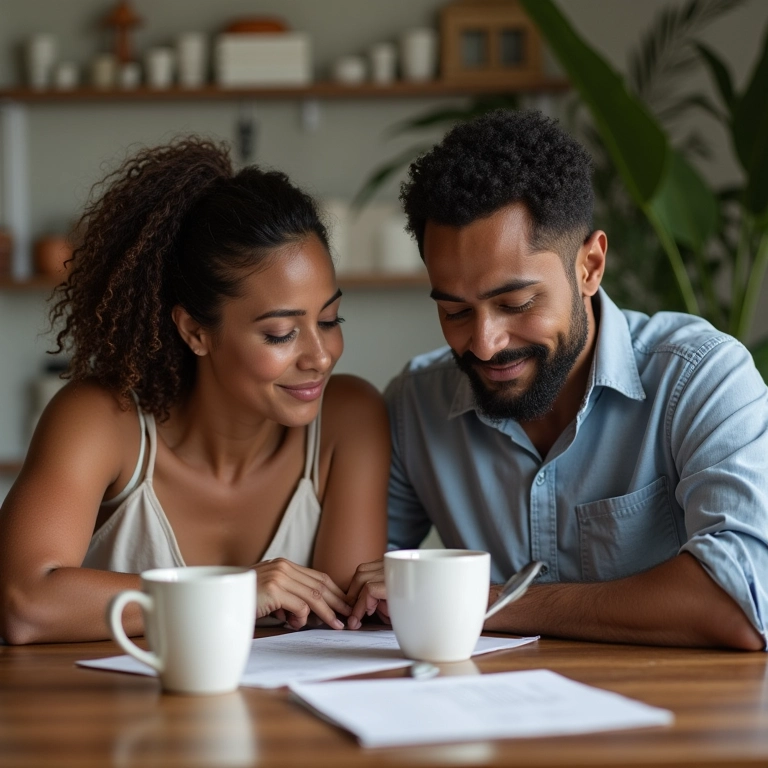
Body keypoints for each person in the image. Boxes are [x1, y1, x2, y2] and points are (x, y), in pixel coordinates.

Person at [344, 109, 768, 650]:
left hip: (673, 722)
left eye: (515, 303)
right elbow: (356, 592)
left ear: (590, 265)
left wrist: (485, 602)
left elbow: (741, 600)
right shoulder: (416, 407)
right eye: (454, 312)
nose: (484, 342)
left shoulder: (700, 378)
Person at [0, 138, 389, 644]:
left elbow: (341, 623)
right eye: (280, 333)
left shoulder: (349, 419)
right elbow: (24, 605)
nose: (321, 355)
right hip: (106, 717)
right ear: (195, 332)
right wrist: (229, 592)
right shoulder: (99, 419)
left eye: (330, 319)